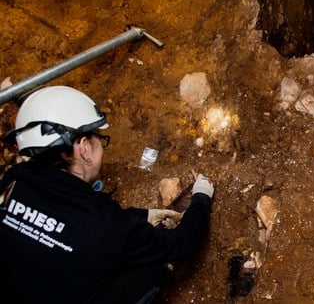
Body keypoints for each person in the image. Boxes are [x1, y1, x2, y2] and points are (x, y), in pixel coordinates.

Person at [0, 86, 214, 303]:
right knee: (150, 273)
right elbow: (181, 245)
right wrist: (202, 197)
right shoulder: (102, 225)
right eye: (98, 139)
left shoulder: (12, 181)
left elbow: (67, 224)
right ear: (83, 148)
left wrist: (143, 216)